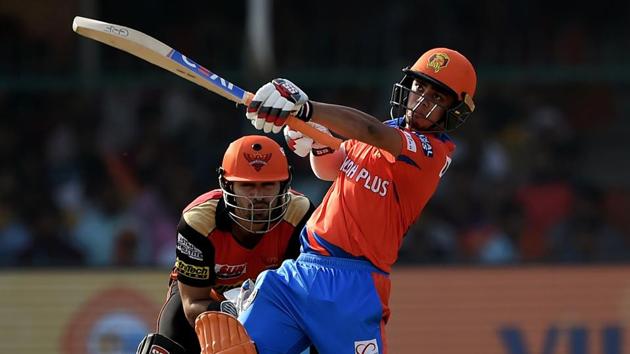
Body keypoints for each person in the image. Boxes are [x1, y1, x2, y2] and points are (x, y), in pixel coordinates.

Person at [238, 47, 477, 353]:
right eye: (419, 88)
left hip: (354, 289)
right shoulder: (388, 130)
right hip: (300, 273)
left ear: (454, 111)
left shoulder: (430, 153)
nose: (421, 100)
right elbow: (332, 167)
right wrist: (315, 142)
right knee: (234, 347)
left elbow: (367, 130)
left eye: (437, 98)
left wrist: (305, 109)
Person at [136, 135, 316, 354]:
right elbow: (193, 304)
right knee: (162, 348)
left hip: (271, 305)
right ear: (227, 184)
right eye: (247, 186)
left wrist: (257, 312)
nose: (258, 197)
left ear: (284, 184)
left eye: (268, 185)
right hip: (209, 299)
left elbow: (307, 296)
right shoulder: (198, 222)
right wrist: (230, 310)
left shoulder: (301, 214)